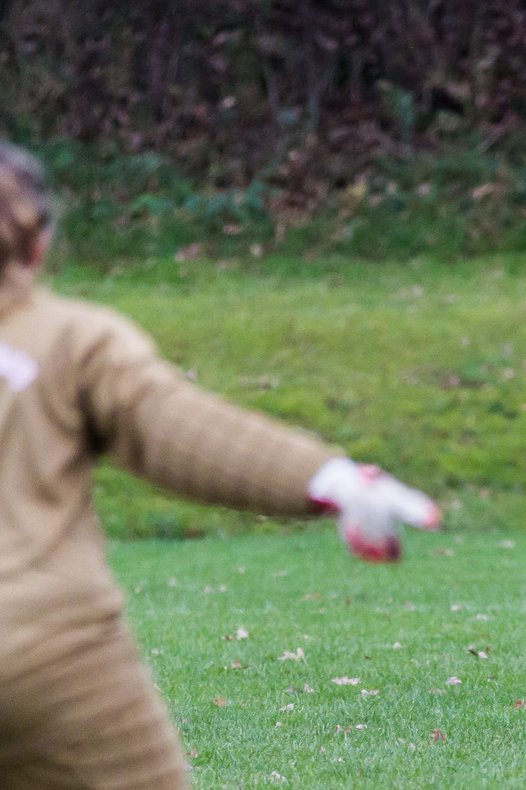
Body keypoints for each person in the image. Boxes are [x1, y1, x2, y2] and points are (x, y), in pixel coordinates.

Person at [0, 142, 442, 788]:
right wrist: (333, 481)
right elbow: (181, 431)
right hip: (48, 653)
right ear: (38, 244)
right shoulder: (70, 340)